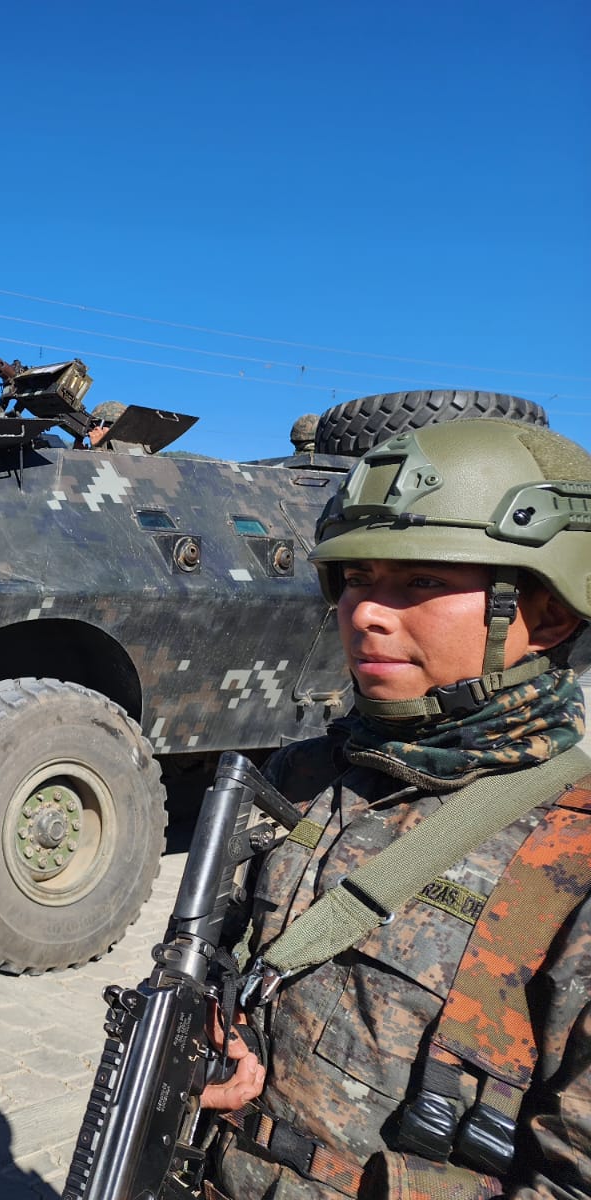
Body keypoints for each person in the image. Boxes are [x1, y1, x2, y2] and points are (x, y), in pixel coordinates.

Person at [202, 419, 591, 1200]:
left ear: (545, 613)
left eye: (419, 583)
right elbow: (223, 956)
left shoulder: (574, 853)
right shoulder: (306, 774)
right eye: (355, 579)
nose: (367, 613)